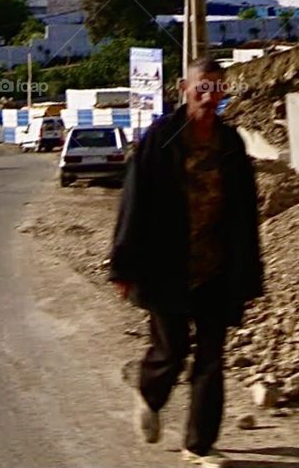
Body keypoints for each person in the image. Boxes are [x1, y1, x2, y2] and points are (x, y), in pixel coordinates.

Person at [110, 55, 263, 468]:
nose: (209, 97)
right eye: (202, 88)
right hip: (166, 268)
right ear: (184, 89)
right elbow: (133, 204)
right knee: (172, 349)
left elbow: (246, 214)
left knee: (212, 357)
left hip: (216, 269)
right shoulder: (161, 139)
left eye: (217, 88)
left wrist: (249, 276)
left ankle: (198, 445)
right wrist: (123, 266)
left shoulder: (231, 143)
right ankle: (150, 394)